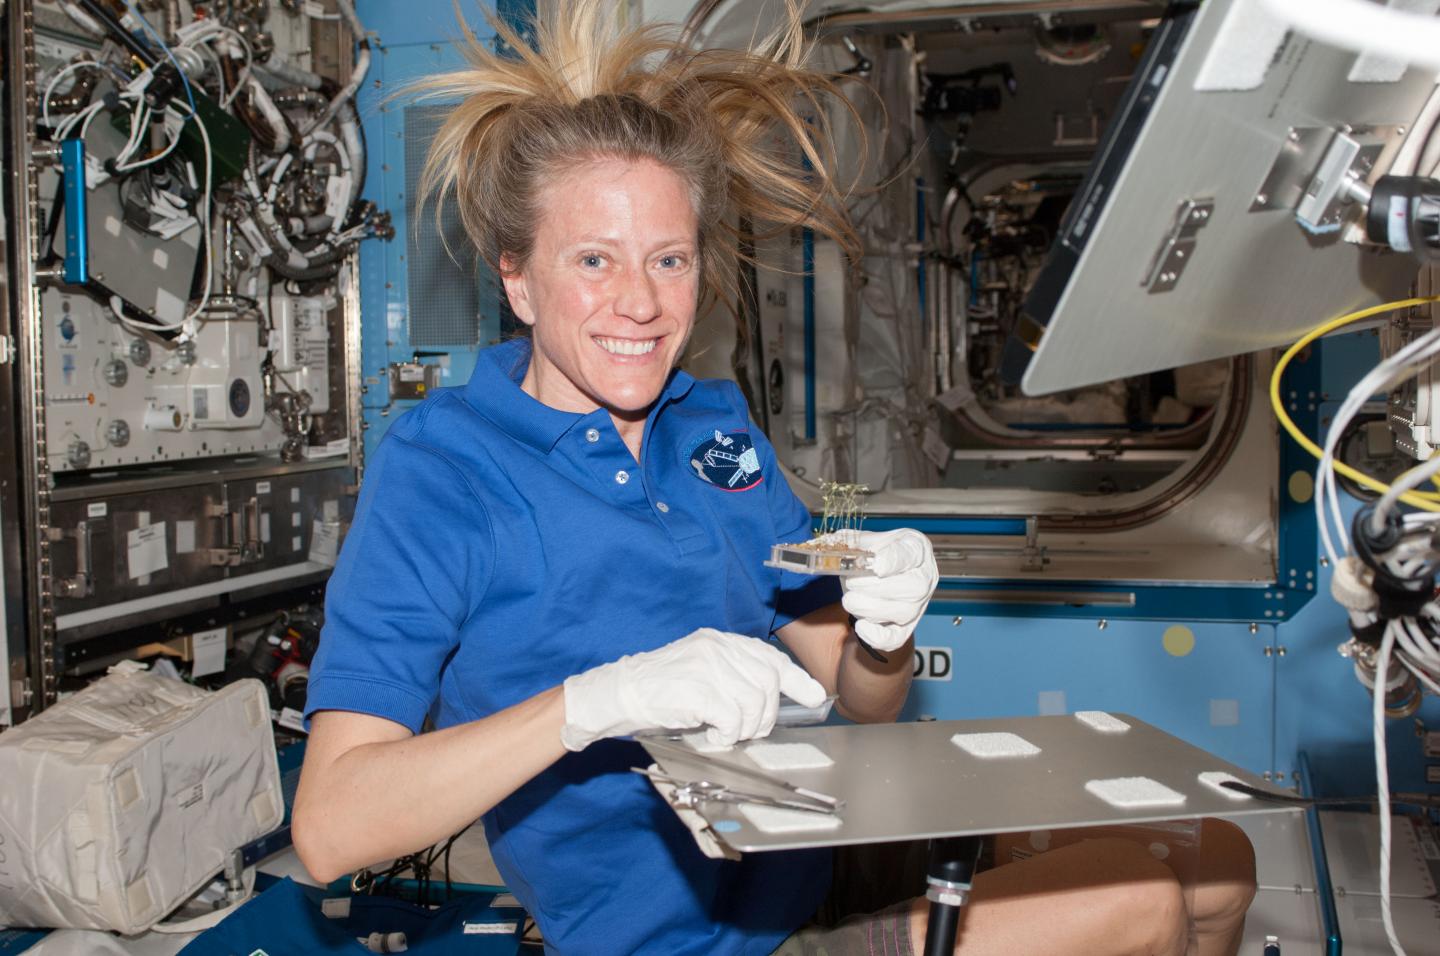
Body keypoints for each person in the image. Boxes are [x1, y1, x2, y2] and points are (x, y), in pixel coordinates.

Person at [292, 3, 1257, 953]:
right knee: (1146, 906)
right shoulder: (443, 473)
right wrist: (595, 705)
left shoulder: (713, 426)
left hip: (819, 838)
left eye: (669, 259)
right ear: (517, 277)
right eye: (594, 259)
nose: (639, 301)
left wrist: (884, 634)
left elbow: (861, 692)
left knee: (1222, 861)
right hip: (698, 939)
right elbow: (333, 830)